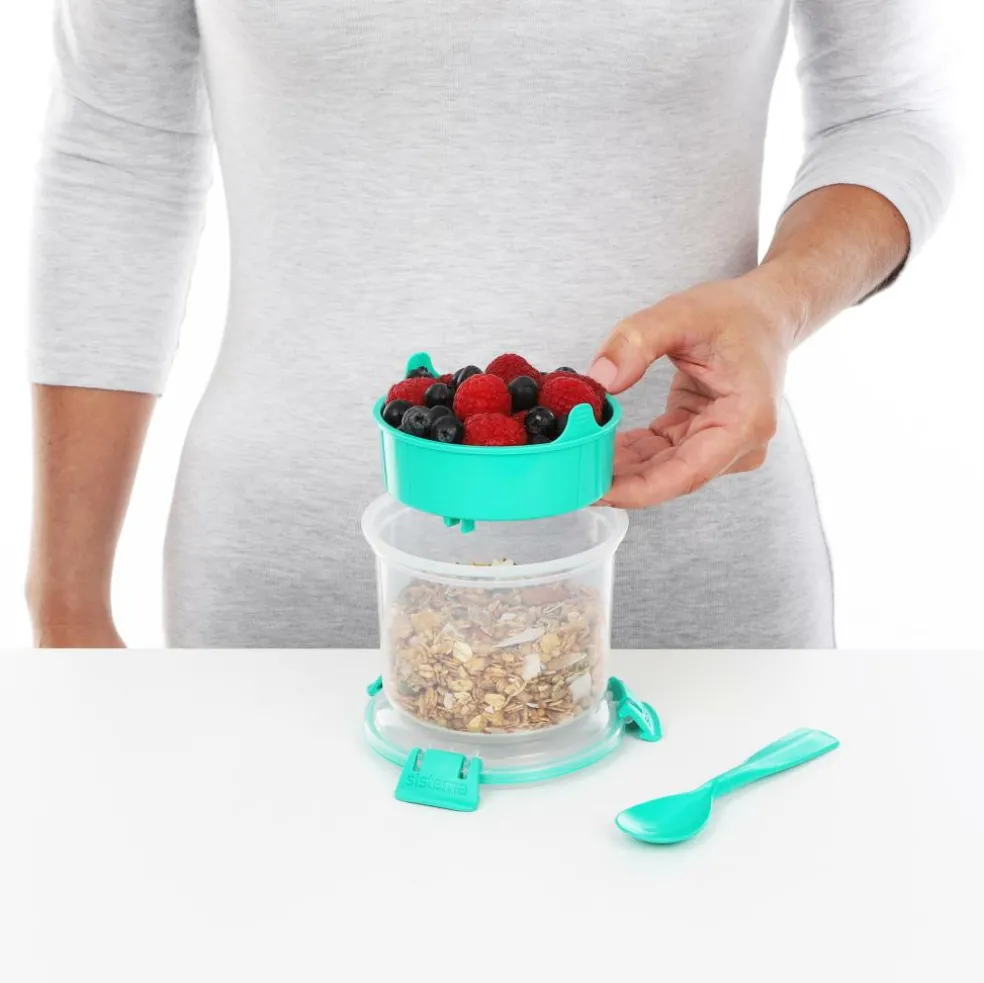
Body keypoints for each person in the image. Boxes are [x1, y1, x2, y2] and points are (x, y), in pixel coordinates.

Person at [26, 0, 954, 649]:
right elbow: (115, 154)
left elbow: (889, 113)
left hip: (694, 605)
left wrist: (777, 301)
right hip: (288, 605)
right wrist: (66, 605)